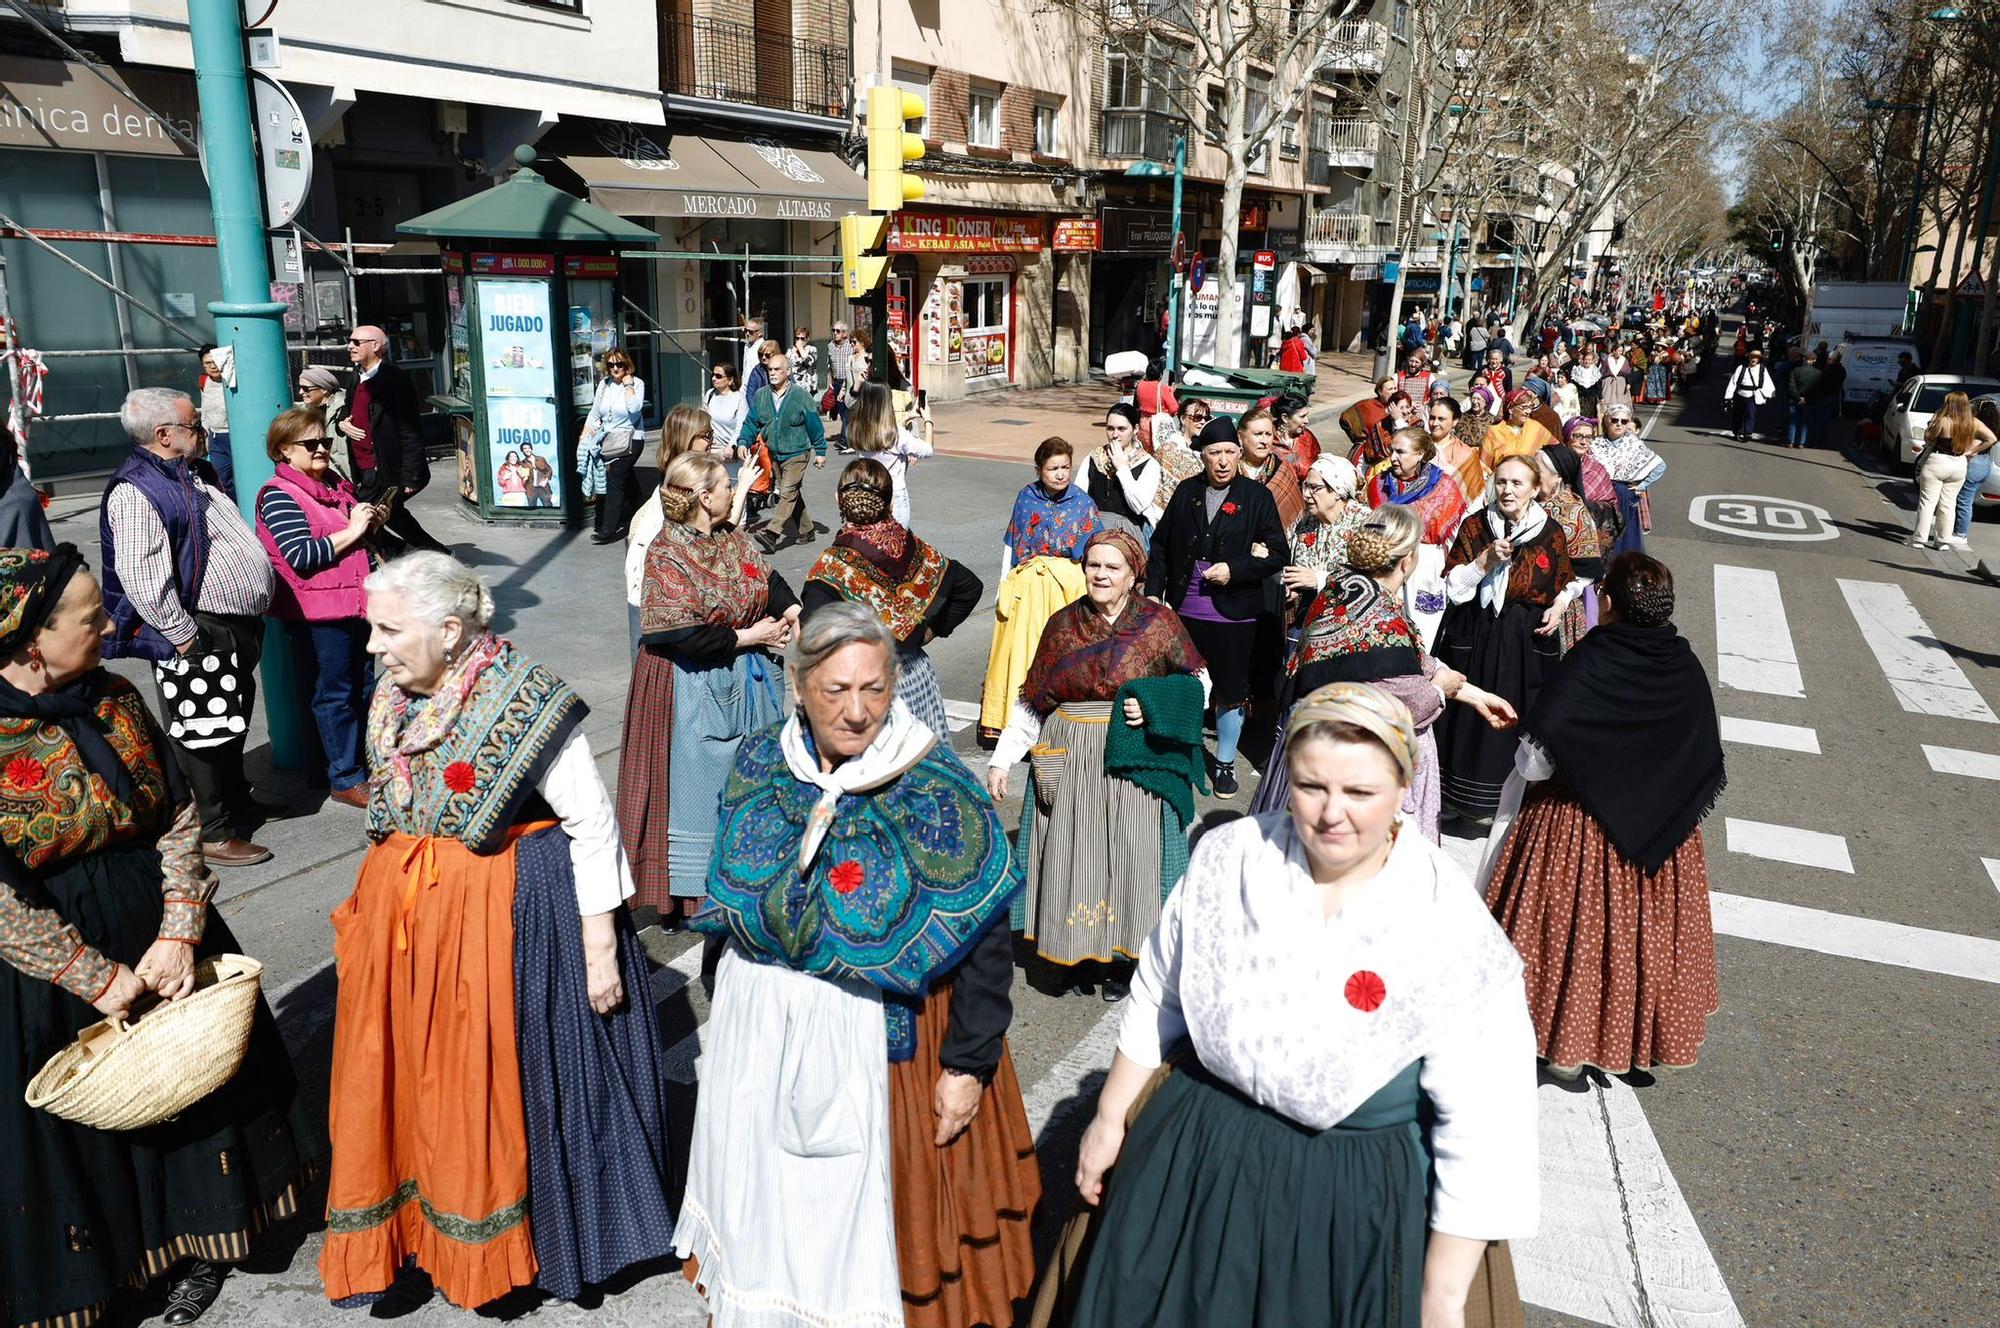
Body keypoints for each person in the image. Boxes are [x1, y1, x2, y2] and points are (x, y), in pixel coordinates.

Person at [1064, 681, 1537, 1328]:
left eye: (1361, 792)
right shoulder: (1231, 856)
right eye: (1312, 786)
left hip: (1353, 1202)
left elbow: (1487, 1117)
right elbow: (1160, 990)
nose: (1331, 813)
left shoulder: (1445, 913)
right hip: (1199, 1160)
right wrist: (1110, 1117)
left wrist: (1444, 1294)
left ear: (1405, 788)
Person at [320, 553, 674, 1313]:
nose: (373, 645)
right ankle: (427, 1231)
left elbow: (588, 819)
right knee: (422, 1084)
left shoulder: (523, 698)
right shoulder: (395, 700)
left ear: (450, 631)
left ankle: (551, 1245)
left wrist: (599, 946)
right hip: (416, 927)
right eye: (370, 628)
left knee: (519, 1081)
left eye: (388, 629)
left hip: (510, 923)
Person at [676, 604, 1040, 1328]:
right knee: (769, 1213)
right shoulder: (759, 760)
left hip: (884, 1051)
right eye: (835, 690)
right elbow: (732, 892)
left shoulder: (935, 781)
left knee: (881, 1230)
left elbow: (984, 934)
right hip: (762, 1043)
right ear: (800, 686)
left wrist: (967, 1066)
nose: (856, 710)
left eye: (873, 689)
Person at [0, 545, 320, 1328]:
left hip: (157, 926)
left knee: (191, 1093)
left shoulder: (115, 698)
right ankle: (116, 1265)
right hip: (46, 967)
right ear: (30, 639)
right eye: (90, 617)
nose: (111, 624)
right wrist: (91, 977)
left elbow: (176, 811)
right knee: (82, 1123)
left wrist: (181, 928)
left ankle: (194, 1252)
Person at [1479, 552, 1723, 1081]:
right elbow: (1700, 750)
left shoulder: (1593, 658)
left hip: (1579, 828)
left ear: (1607, 603)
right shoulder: (1682, 663)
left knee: (1572, 940)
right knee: (1642, 943)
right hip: (1661, 831)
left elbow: (1538, 760)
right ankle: (1631, 1040)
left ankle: (1563, 1046)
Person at [988, 528, 1208, 999]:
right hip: (1072, 757)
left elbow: (1200, 685)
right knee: (1073, 856)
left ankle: (1123, 961)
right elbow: (1033, 700)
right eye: (1094, 565)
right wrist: (1002, 760)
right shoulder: (1063, 624)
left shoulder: (1158, 623)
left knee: (1130, 855)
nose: (1101, 575)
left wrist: (1153, 703)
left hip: (1133, 756)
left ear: (1134, 575)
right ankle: (1075, 953)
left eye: (1113, 567)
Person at [1254, 509, 1516, 842]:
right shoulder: (1382, 616)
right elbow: (1411, 702)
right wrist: (1439, 690)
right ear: (1408, 560)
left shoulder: (1341, 588)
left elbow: (1409, 659)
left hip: (1307, 742)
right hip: (1350, 765)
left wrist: (1478, 696)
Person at [100, 388, 278, 867]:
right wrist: (185, 637)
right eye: (194, 425)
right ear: (163, 435)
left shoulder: (191, 471)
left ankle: (237, 804)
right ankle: (211, 832)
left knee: (228, 721)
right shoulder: (137, 488)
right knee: (200, 730)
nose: (205, 432)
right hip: (199, 628)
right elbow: (142, 574)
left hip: (230, 623)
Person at [618, 451, 795, 927]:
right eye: (724, 484)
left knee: (751, 783)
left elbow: (766, 579)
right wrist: (751, 636)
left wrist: (792, 608)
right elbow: (682, 634)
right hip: (690, 683)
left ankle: (748, 877)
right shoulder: (667, 552)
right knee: (699, 789)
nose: (731, 491)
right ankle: (695, 898)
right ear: (703, 496)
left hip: (742, 679)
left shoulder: (730, 537)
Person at [253, 407, 386, 810]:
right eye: (311, 444)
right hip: (318, 614)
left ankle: (350, 766)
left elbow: (351, 540)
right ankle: (344, 776)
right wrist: (354, 530)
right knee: (335, 695)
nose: (322, 449)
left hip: (353, 603)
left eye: (325, 441)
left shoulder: (333, 484)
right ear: (283, 451)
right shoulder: (278, 495)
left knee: (360, 688)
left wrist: (370, 521)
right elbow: (300, 554)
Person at [1147, 417, 1287, 797]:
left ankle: (1224, 762)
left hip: (1234, 611)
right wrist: (1153, 592)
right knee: (1180, 684)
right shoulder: (1186, 491)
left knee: (1229, 689)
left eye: (1229, 452)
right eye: (1214, 454)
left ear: (1239, 454)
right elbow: (1160, 545)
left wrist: (1236, 569)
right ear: (1203, 456)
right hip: (1184, 606)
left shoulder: (1256, 497)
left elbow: (1278, 553)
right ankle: (1181, 754)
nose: (1223, 461)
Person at [1435, 453, 1577, 824]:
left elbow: (1566, 580)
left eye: (1517, 483)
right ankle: (1454, 799)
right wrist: (1484, 563)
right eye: (1501, 482)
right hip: (1477, 630)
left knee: (1515, 715)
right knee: (1466, 713)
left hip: (1523, 639)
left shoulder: (1550, 533)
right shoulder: (1476, 526)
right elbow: (1453, 589)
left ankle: (1504, 804)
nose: (1507, 490)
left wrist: (1560, 604)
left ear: (1534, 489)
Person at [803, 458, 982, 737]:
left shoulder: (833, 567)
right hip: (916, 676)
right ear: (889, 503)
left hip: (869, 691)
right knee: (925, 769)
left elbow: (813, 635)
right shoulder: (911, 547)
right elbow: (969, 587)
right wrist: (929, 633)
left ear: (839, 499)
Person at [978, 437, 1099, 743]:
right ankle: (1009, 720)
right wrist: (1003, 585)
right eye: (1052, 468)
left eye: (1065, 467)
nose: (1060, 474)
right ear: (1039, 469)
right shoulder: (1025, 497)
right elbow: (1013, 543)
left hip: (1065, 588)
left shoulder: (1083, 502)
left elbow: (1092, 553)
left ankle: (1056, 723)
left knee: (1058, 653)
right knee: (1018, 653)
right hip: (1027, 586)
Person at [337, 324, 449, 553]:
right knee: (393, 515)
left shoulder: (395, 380)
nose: (350, 346)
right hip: (362, 467)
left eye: (356, 342)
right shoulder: (355, 377)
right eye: (350, 341)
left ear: (375, 346)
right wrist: (342, 424)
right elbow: (347, 411)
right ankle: (436, 553)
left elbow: (410, 431)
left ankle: (398, 551)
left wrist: (411, 476)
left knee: (361, 515)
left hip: (385, 469)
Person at [1367, 426, 1471, 650]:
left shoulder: (1444, 486)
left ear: (1420, 454)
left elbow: (1453, 536)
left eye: (1400, 452)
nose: (1393, 458)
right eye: (1391, 450)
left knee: (1422, 633)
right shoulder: (1378, 484)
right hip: (1385, 563)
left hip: (1426, 566)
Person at [622, 403, 717, 650]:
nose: (710, 442)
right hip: (668, 607)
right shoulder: (680, 490)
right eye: (706, 436)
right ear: (687, 439)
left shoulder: (679, 480)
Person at [747, 338, 829, 552]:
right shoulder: (761, 395)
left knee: (786, 491)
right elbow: (751, 422)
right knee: (791, 493)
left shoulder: (800, 396)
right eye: (770, 369)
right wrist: (742, 441)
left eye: (777, 369)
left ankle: (772, 534)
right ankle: (806, 529)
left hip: (797, 452)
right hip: (775, 452)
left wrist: (820, 451)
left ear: (788, 372)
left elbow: (814, 424)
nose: (772, 372)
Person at [1535, 445, 1608, 651]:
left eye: (1537, 470)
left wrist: (1561, 601)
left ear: (1557, 477)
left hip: (1556, 607)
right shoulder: (1526, 502)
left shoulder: (1573, 513)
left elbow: (1586, 572)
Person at [1281, 455, 1372, 606]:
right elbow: (1291, 559)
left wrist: (1319, 579)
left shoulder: (1364, 522)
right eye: (1305, 486)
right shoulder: (1307, 520)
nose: (1306, 495)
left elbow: (1372, 577)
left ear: (1337, 491)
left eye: (1315, 488)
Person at [579, 345, 646, 544]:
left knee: (615, 479)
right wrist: (585, 434)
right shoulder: (605, 384)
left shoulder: (637, 383)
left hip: (631, 440)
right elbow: (595, 412)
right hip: (609, 439)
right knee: (627, 479)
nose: (615, 368)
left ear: (627, 365)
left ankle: (608, 529)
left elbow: (634, 410)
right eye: (611, 365)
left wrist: (628, 385)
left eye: (620, 364)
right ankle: (640, 508)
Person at [844, 382, 934, 527]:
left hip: (869, 492)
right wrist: (928, 420)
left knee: (874, 540)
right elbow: (928, 450)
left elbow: (882, 435)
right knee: (897, 541)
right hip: (894, 494)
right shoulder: (897, 434)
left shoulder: (854, 428)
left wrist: (907, 418)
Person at [1913, 390, 1993, 549]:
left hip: (1939, 460)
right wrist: (1972, 451)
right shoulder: (1973, 423)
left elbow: (1929, 438)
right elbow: (1991, 438)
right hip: (1959, 463)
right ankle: (1943, 541)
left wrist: (1935, 419)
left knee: (1928, 502)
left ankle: (1919, 539)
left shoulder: (1943, 420)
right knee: (1948, 504)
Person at [1592, 405, 1665, 553]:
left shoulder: (1634, 444)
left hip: (1624, 495)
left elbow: (1660, 466)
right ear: (1607, 421)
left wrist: (1642, 485)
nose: (1619, 424)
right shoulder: (1595, 443)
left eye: (1624, 421)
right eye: (1615, 420)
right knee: (1602, 536)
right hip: (1601, 496)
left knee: (1626, 537)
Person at [1085, 402, 1163, 537]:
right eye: (1110, 428)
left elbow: (1138, 506)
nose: (1114, 435)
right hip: (1094, 531)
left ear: (1135, 429)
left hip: (1129, 534)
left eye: (1121, 429)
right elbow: (1080, 499)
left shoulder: (1148, 464)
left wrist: (1122, 468)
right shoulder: (1093, 458)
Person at [1238, 404, 1305, 527]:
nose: (1264, 441)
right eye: (1258, 434)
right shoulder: (1229, 471)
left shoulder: (1283, 470)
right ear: (1240, 436)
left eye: (1268, 434)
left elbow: (1294, 517)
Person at [1430, 395, 1488, 513]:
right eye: (1432, 418)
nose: (1435, 423)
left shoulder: (1467, 454)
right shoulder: (1418, 445)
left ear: (1455, 421)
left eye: (1441, 419)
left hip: (1451, 517)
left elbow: (1474, 494)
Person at [1953, 398, 2000, 545]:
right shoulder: (1994, 426)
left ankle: (1960, 534)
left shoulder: (1978, 426)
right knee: (1967, 500)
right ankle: (1958, 532)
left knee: (1963, 500)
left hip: (1974, 464)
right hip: (1986, 464)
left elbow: (1984, 442)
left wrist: (1970, 451)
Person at [1481, 388, 1556, 472]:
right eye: (1523, 407)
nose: (1528, 411)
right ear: (1510, 409)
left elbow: (1555, 450)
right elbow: (1483, 465)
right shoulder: (1494, 432)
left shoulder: (1536, 428)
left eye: (1530, 406)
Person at [196, 344, 235, 497]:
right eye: (207, 363)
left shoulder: (232, 379)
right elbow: (205, 410)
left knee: (242, 476)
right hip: (215, 437)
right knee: (221, 479)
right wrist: (205, 436)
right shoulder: (204, 381)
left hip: (233, 435)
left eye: (215, 361)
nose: (213, 366)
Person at [1337, 376, 1398, 468]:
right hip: (1364, 455)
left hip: (1389, 455)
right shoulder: (1367, 405)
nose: (1394, 392)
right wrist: (1357, 437)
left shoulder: (1400, 406)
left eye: (1395, 388)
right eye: (1390, 389)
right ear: (1380, 392)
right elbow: (1345, 418)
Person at [1724, 348, 1773, 440]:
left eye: (1756, 357)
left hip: (1752, 395)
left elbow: (1768, 383)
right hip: (1740, 394)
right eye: (1752, 357)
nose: (1753, 359)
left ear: (1759, 359)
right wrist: (1728, 397)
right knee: (1737, 414)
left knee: (1750, 414)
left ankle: (1747, 433)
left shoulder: (1762, 369)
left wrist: (1766, 394)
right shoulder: (1741, 368)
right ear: (1749, 357)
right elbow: (1733, 382)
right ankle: (1737, 431)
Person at [1272, 394, 1323, 478]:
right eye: (1302, 416)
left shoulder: (1307, 438)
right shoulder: (1268, 439)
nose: (1307, 421)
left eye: (1307, 415)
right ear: (1285, 418)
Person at [1804, 344, 1844, 448]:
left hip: (1823, 397)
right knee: (1825, 420)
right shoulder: (1842, 370)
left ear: (1831, 359)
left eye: (1829, 359)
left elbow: (1820, 383)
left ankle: (1814, 441)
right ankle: (1822, 441)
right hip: (1833, 396)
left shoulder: (1827, 371)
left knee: (1817, 419)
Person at [1784, 347, 1820, 450]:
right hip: (1809, 401)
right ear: (1814, 361)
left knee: (1793, 421)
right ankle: (1801, 443)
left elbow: (1791, 385)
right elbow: (1816, 389)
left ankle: (1790, 441)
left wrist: (1798, 397)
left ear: (1804, 359)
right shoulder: (1818, 373)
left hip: (1795, 400)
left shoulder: (1796, 370)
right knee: (1805, 423)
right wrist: (1806, 397)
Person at [826, 319, 855, 442]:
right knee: (842, 412)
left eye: (838, 331)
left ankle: (845, 440)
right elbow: (829, 365)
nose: (835, 333)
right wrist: (829, 382)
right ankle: (848, 437)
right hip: (837, 382)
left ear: (844, 333)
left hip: (848, 382)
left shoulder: (850, 346)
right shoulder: (830, 346)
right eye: (833, 330)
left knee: (848, 412)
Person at [296, 363, 346, 435]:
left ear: (324, 389)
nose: (300, 392)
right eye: (300, 387)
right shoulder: (303, 410)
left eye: (305, 388)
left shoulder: (343, 409)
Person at [787, 324, 819, 397]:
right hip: (795, 387)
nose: (799, 341)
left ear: (807, 339)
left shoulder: (812, 349)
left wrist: (800, 348)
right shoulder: (790, 351)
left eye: (802, 338)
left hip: (809, 388)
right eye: (797, 338)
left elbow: (809, 362)